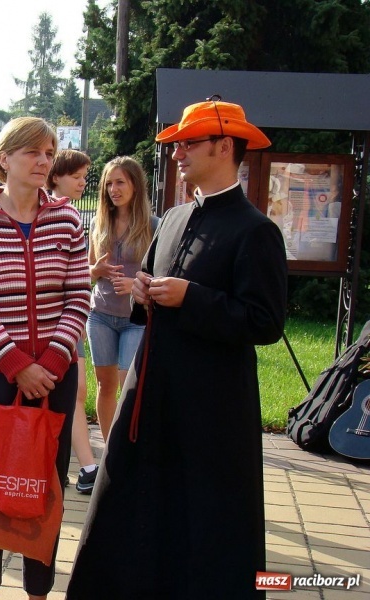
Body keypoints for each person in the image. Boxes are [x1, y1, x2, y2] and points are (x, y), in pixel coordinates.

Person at [67, 97, 287, 599]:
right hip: (152, 394)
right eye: (178, 145)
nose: (179, 154)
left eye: (189, 144)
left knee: (205, 522)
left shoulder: (256, 231)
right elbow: (157, 301)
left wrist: (193, 298)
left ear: (225, 146)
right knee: (127, 503)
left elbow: (265, 320)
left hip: (211, 409)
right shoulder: (171, 218)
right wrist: (146, 295)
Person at [0, 117, 90, 600]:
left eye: (50, 152)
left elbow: (79, 297)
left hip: (55, 379)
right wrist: (16, 365)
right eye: (34, 151)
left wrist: (50, 366)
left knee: (44, 494)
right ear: (4, 158)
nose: (45, 161)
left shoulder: (69, 220)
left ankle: (38, 593)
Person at [86, 156, 158, 444]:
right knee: (105, 385)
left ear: (135, 185)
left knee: (130, 385)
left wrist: (137, 283)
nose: (113, 189)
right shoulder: (98, 222)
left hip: (135, 319)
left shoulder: (154, 225)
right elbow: (87, 272)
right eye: (109, 183)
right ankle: (110, 451)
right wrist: (97, 270)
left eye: (120, 182)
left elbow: (164, 274)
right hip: (100, 314)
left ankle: (129, 448)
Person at [46, 148, 98, 494]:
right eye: (76, 176)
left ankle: (83, 464)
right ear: (56, 177)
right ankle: (84, 464)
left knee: (75, 392)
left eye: (84, 177)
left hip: (70, 322)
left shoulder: (71, 216)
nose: (82, 183)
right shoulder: (50, 214)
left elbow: (76, 280)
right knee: (73, 393)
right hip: (50, 327)